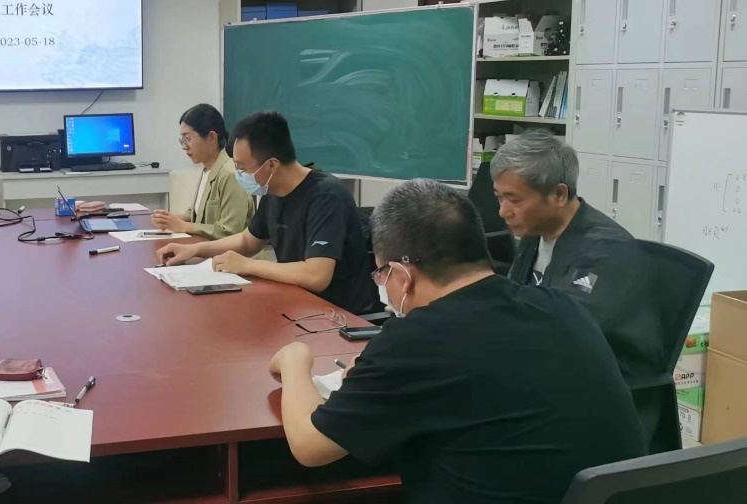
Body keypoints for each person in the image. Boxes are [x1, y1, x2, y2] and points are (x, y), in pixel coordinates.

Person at [268, 179, 645, 503]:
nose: (383, 287)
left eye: (382, 274)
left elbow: (309, 446)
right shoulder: (561, 305)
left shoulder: (415, 341)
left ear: (402, 274)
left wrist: (295, 359)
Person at [491, 130, 666, 445]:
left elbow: (564, 332)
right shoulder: (535, 232)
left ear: (559, 195)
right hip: (547, 377)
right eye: (499, 197)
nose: (503, 211)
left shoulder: (608, 251)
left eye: (514, 199)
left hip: (603, 396)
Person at [156, 111, 378, 314]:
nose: (239, 175)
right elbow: (248, 241)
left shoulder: (327, 196)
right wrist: (194, 250)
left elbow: (316, 276)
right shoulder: (273, 190)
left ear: (271, 164)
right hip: (298, 303)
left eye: (243, 168)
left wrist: (248, 265)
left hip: (340, 316)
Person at [150, 104, 254, 239]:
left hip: (229, 252)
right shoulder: (207, 170)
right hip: (206, 248)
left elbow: (230, 231)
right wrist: (169, 220)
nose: (184, 147)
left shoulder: (231, 175)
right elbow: (195, 215)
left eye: (188, 138)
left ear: (211, 137)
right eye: (182, 140)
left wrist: (183, 226)